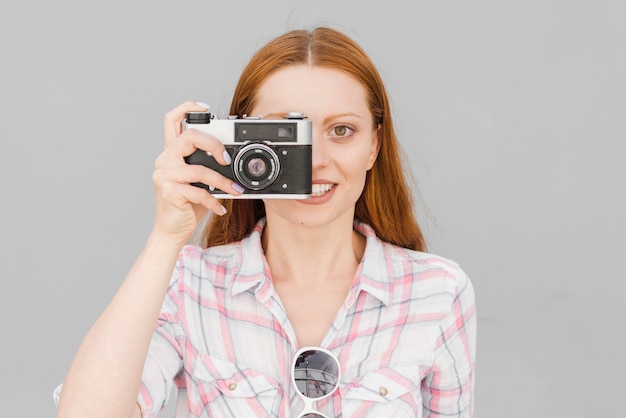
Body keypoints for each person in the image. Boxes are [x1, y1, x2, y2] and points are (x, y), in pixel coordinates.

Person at [55, 27, 476, 418]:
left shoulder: (437, 292)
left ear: (374, 146)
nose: (315, 161)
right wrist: (167, 238)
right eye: (286, 135)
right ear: (240, 142)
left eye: (342, 130)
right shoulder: (190, 285)